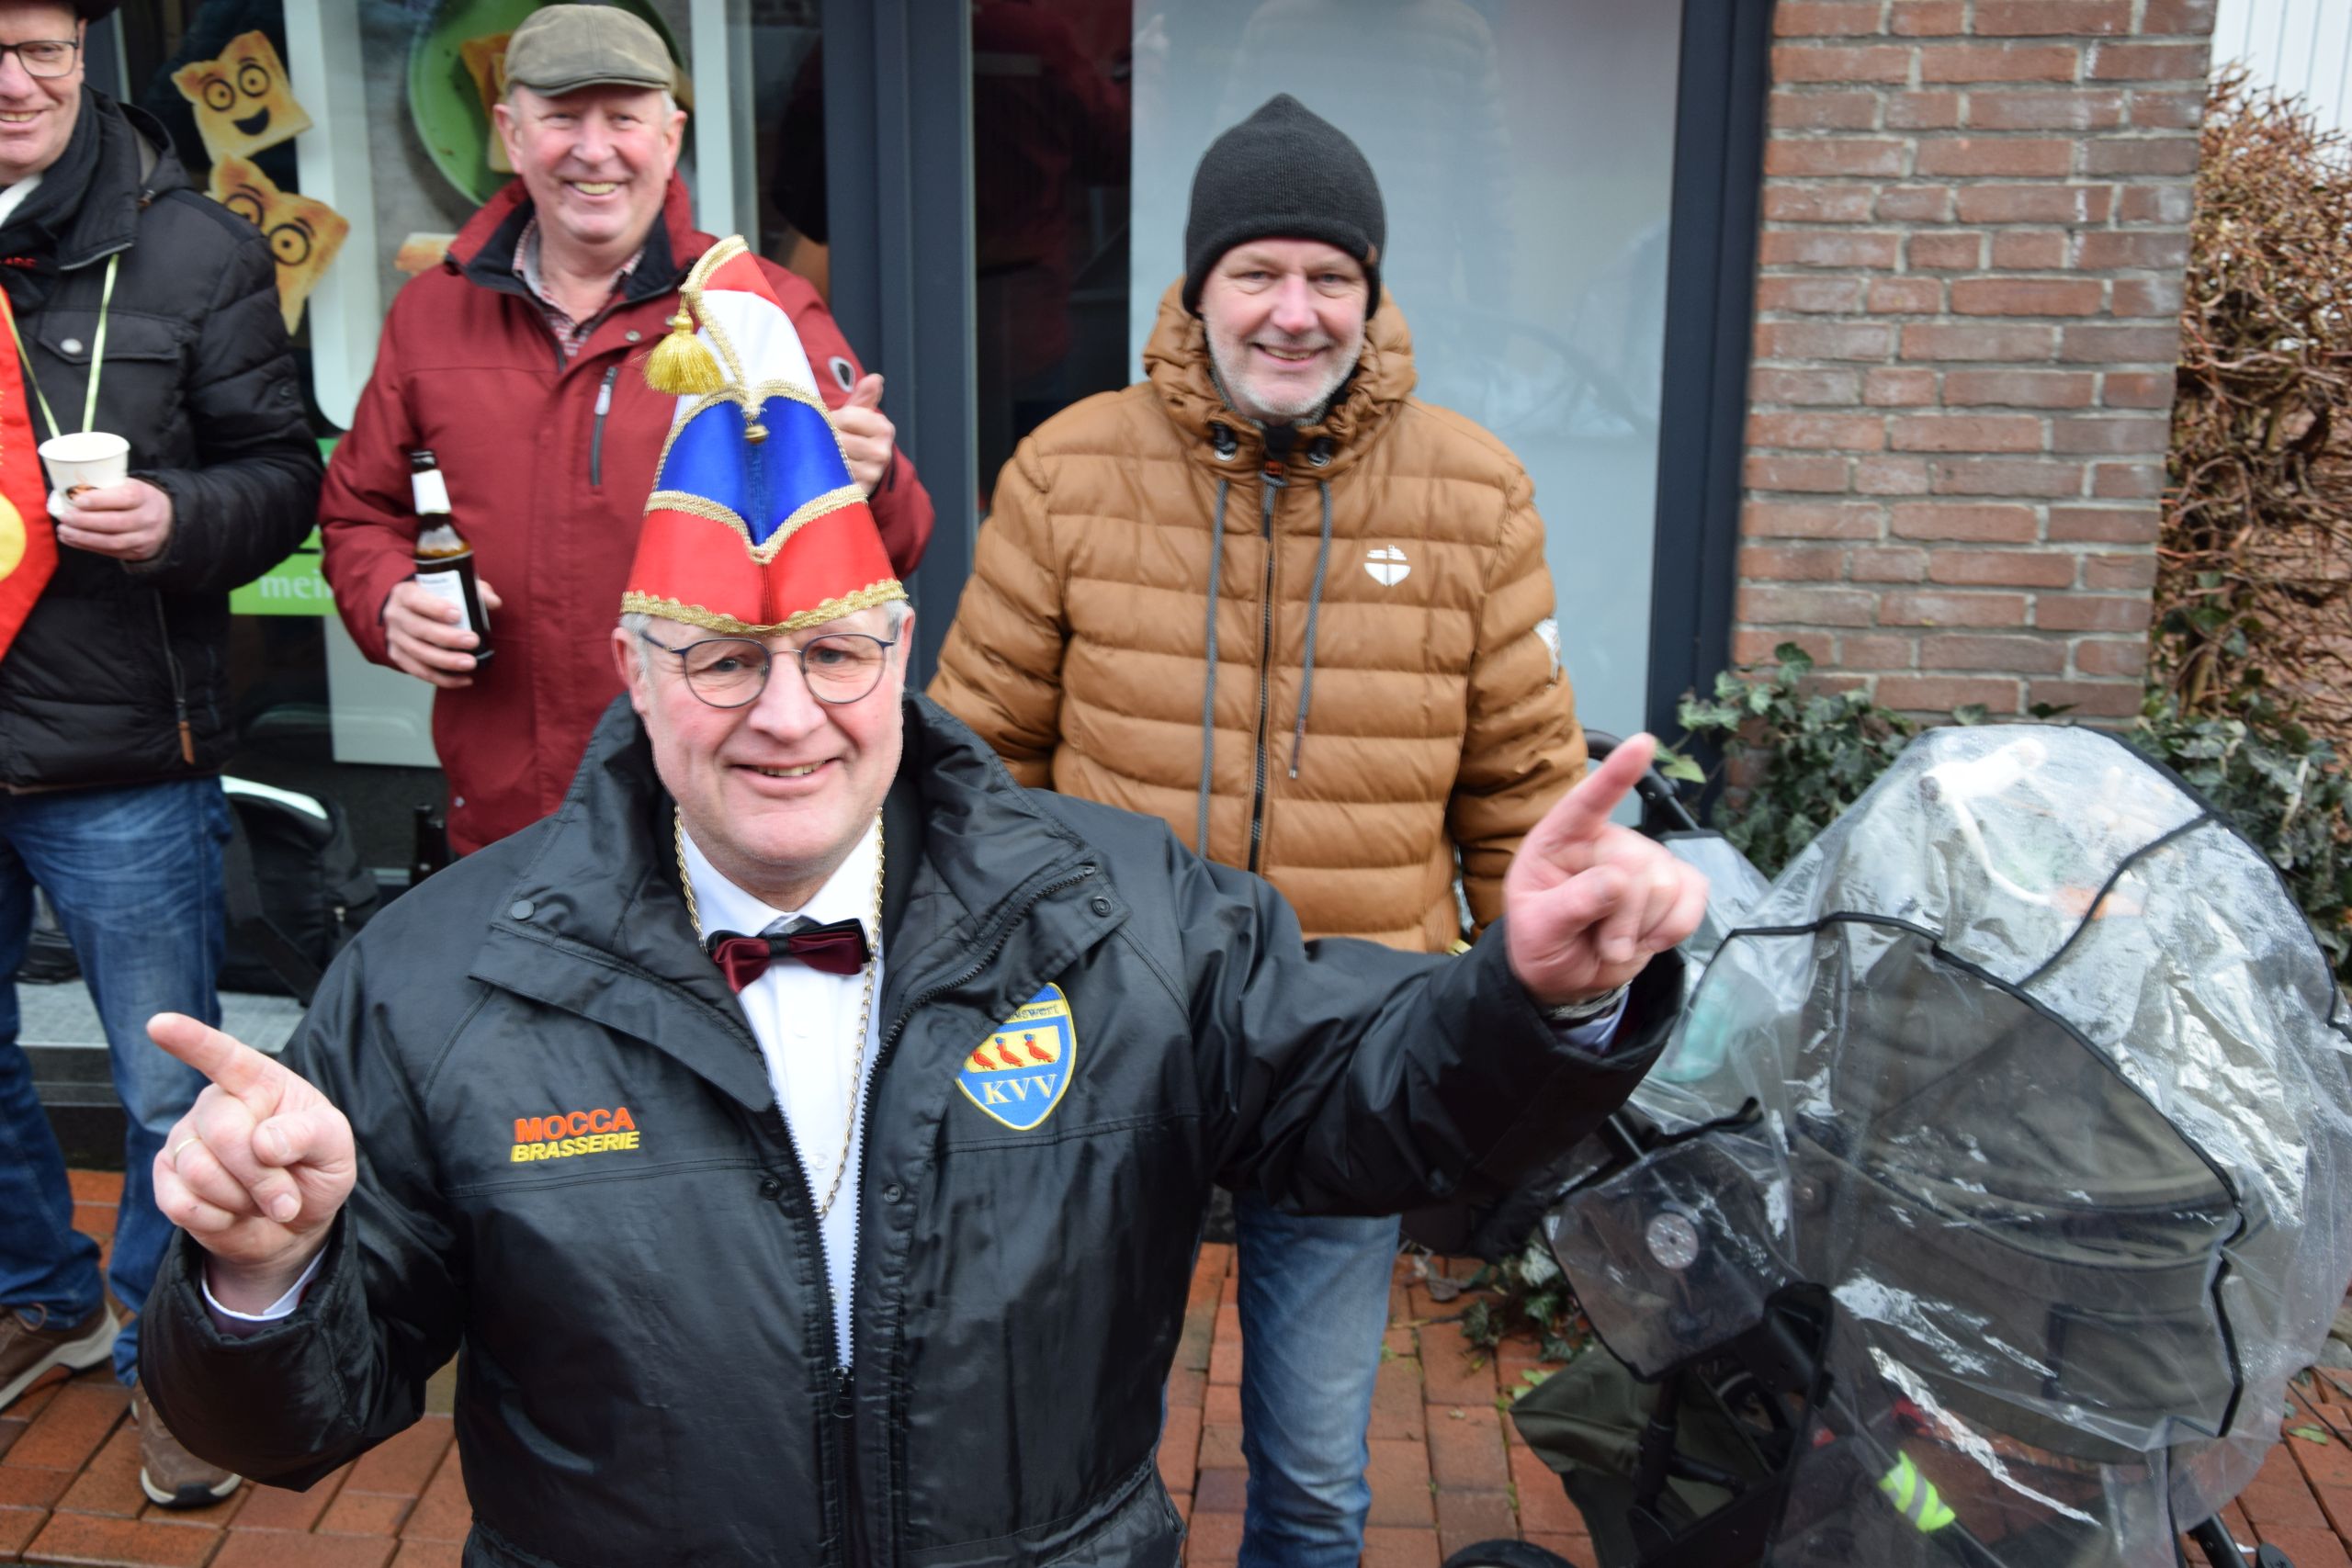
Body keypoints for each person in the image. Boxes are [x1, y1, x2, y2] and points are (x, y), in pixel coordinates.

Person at [136, 240, 1705, 1566]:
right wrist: (261, 1278)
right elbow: (294, 1418)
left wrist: (1539, 995)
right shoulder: (434, 980)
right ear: (634, 672)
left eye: (834, 654)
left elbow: (1375, 1102)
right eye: (723, 661)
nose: (787, 718)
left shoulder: (1124, 914)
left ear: (898, 652)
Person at [928, 93, 1584, 1564]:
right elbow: (974, 770)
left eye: (1329, 275)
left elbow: (1520, 792)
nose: (1295, 311)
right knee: (1076, 1450)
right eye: (1258, 272)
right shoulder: (1068, 472)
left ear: (1371, 289)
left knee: (1317, 1475)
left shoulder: (1475, 495)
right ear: (1197, 285)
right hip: (1113, 1034)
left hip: (1350, 1039)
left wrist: (1528, 1027)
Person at [319, 4, 933, 857]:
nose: (594, 149)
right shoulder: (431, 314)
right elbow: (359, 514)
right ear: (510, 132)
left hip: (709, 815)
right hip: (505, 813)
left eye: (624, 118)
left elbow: (893, 550)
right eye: (562, 117)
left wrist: (872, 481)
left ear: (671, 135)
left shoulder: (755, 309)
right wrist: (387, 597)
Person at [0, 0, 322, 1510]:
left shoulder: (192, 247)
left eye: (40, 49)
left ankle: (172, 1359)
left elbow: (285, 473)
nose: (13, 82)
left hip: (121, 748)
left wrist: (179, 517)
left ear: (83, 59)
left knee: (161, 1088)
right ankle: (40, 1293)